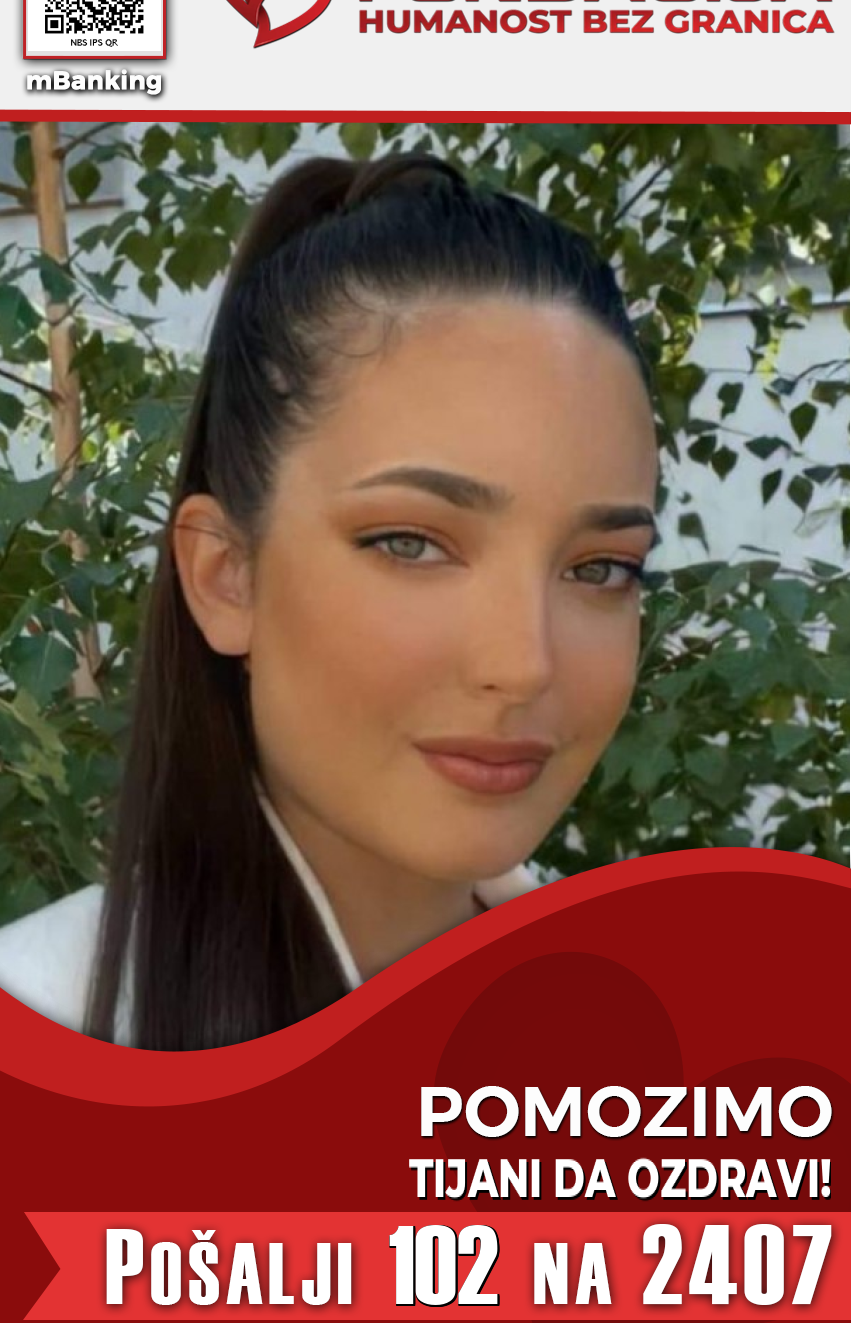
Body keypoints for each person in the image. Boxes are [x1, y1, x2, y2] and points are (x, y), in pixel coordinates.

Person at [0, 152, 658, 1050]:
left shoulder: (652, 1045)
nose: (523, 664)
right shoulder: (41, 1039)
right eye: (410, 542)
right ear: (226, 575)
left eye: (600, 568)